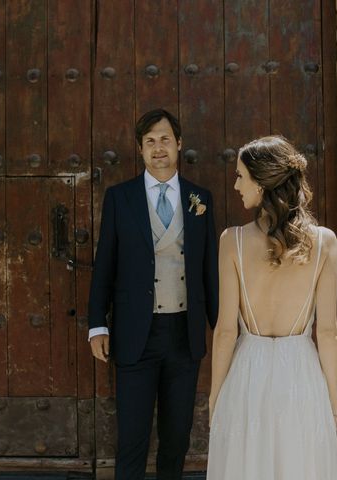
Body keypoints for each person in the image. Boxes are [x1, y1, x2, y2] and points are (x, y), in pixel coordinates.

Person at [88, 109, 218, 480]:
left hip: (184, 335)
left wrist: (223, 327)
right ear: (140, 150)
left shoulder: (200, 199)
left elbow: (209, 270)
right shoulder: (120, 198)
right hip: (135, 336)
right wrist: (97, 324)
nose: (158, 148)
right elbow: (105, 266)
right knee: (132, 439)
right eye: (150, 142)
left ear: (179, 144)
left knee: (176, 439)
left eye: (164, 139)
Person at [207, 135, 337, 479]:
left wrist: (215, 396)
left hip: (247, 375)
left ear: (262, 182)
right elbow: (327, 332)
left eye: (240, 176)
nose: (236, 185)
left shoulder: (231, 241)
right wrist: (331, 398)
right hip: (301, 375)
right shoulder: (325, 241)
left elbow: (225, 332)